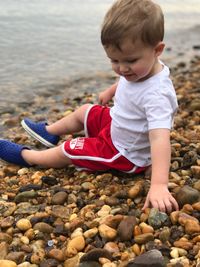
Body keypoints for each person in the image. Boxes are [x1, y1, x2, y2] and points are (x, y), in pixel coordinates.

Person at [0, 0, 179, 213]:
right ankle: (49, 132)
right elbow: (130, 83)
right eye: (114, 61)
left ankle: (29, 157)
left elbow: (160, 138)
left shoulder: (157, 95)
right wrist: (112, 91)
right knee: (86, 110)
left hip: (123, 151)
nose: (121, 68)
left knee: (71, 148)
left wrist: (159, 184)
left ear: (157, 50)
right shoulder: (143, 69)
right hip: (117, 125)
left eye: (130, 61)